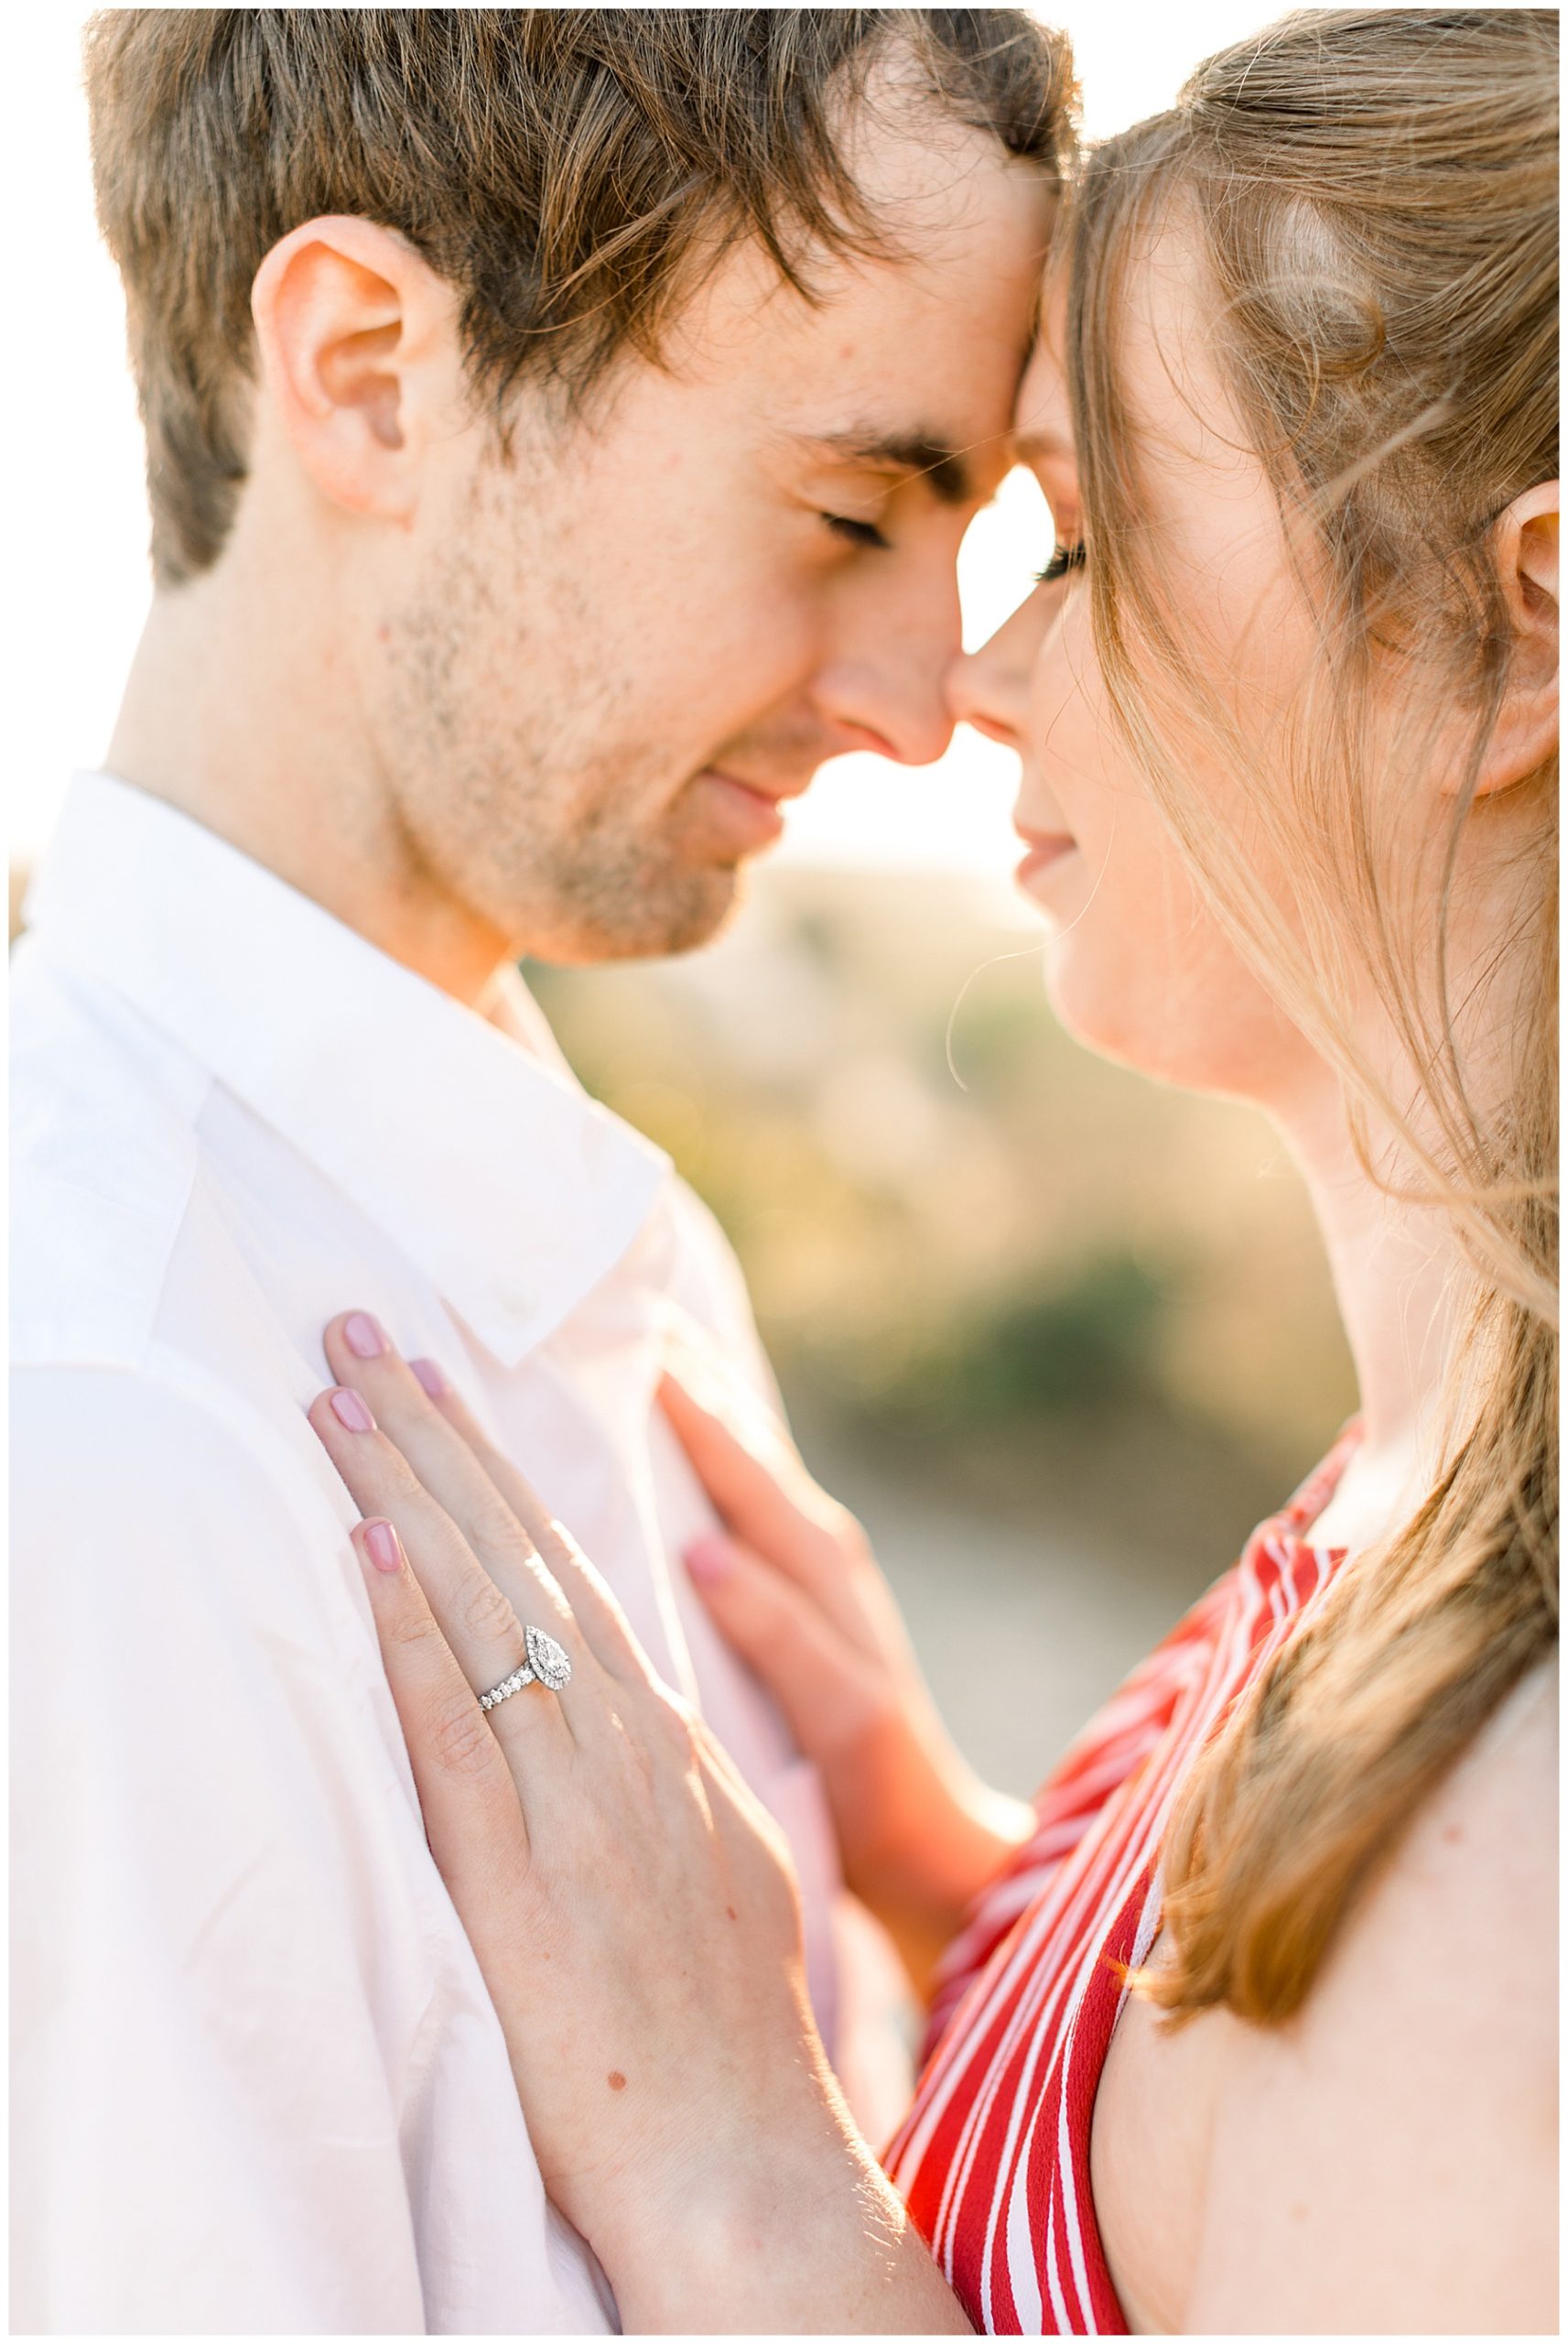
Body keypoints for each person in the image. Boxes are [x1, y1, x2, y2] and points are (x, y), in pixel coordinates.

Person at [295, 9, 1558, 2333]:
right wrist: (959, 1866)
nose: (965, 678)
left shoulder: (1513, 1874)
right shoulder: (1409, 1532)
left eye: (1077, 539)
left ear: (1521, 626)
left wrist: (734, 2165)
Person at [9, 11, 1074, 2330]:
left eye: (972, 533)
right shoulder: (96, 1431)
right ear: (372, 373)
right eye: (846, 511)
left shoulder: (615, 1244)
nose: (919, 695)